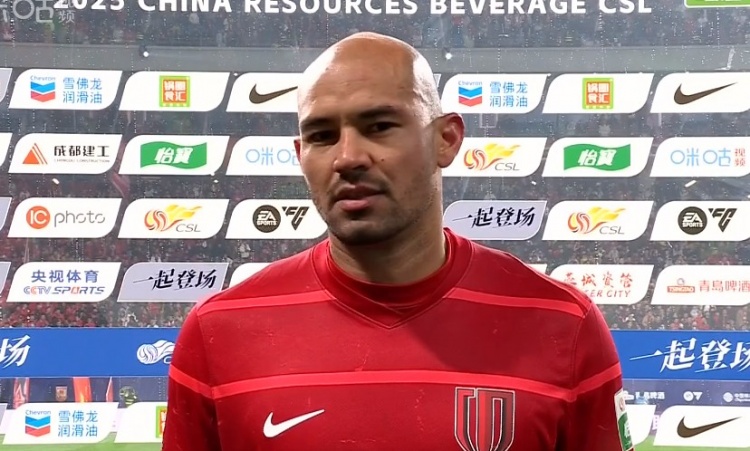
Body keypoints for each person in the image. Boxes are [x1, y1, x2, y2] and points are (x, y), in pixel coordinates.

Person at [162, 32, 632, 451]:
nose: (348, 157)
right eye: (322, 136)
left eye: (379, 126)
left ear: (446, 139)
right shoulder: (217, 332)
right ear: (301, 155)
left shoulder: (564, 324)